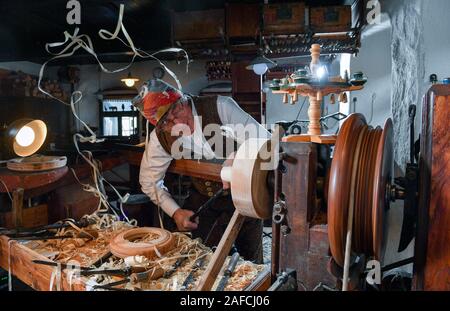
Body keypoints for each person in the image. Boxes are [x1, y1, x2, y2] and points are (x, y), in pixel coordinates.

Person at [133, 79, 270, 263]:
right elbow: (149, 181)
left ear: (183, 99)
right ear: (160, 125)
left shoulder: (220, 108)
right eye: (168, 121)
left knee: (251, 265)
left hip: (246, 198)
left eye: (177, 110)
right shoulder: (160, 137)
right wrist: (175, 212)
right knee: (203, 261)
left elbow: (267, 144)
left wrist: (239, 155)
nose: (179, 122)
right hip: (204, 201)